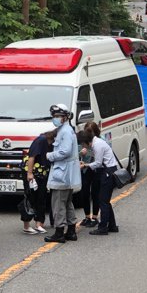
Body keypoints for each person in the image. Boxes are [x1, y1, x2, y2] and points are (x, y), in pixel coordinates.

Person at [45, 103, 81, 243]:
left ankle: (59, 232)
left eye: (58, 116)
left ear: (65, 117)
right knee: (67, 203)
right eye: (54, 116)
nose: (55, 118)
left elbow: (64, 151)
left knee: (58, 204)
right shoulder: (66, 130)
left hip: (62, 173)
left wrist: (49, 156)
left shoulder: (65, 131)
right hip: (66, 173)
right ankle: (71, 231)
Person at [77, 130, 120, 235]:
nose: (83, 146)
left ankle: (103, 227)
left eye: (82, 143)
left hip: (107, 172)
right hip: (108, 171)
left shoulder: (97, 145)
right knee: (105, 200)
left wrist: (85, 165)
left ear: (86, 141)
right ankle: (112, 226)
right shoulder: (98, 142)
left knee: (103, 201)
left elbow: (98, 163)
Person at [20, 128, 55, 235]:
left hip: (42, 173)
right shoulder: (41, 140)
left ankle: (39, 224)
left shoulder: (51, 144)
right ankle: (26, 225)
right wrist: (30, 173)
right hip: (33, 172)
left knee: (41, 197)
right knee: (30, 198)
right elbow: (32, 156)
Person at [78, 122, 101, 227]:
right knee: (84, 193)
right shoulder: (82, 142)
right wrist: (80, 153)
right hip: (85, 170)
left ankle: (95, 216)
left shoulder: (100, 141)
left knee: (96, 193)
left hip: (96, 170)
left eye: (90, 132)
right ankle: (87, 216)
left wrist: (87, 152)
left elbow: (101, 156)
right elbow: (76, 152)